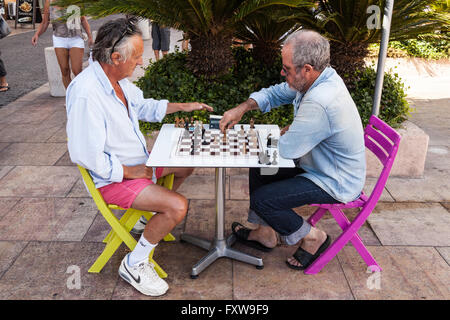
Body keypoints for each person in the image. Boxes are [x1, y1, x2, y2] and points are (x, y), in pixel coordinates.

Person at [66, 17, 213, 296]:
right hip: (112, 178)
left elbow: (144, 106)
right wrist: (129, 172)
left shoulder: (117, 80)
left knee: (185, 165)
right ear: (116, 56)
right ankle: (135, 263)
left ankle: (146, 219)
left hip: (137, 164)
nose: (141, 62)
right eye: (136, 56)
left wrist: (184, 106)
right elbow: (84, 155)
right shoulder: (87, 93)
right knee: (177, 206)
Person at [219, 30, 366, 271]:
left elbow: (286, 150)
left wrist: (287, 133)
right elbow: (277, 93)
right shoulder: (318, 78)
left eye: (286, 69)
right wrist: (243, 108)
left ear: (306, 69)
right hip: (317, 164)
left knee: (263, 199)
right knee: (261, 167)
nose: (282, 72)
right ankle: (265, 234)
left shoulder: (321, 99)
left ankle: (313, 237)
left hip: (334, 180)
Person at [31, 0, 93, 89]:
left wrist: (90, 36)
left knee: (77, 71)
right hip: (59, 39)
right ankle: (70, 97)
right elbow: (45, 22)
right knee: (64, 70)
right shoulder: (49, 2)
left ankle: (80, 94)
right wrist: (37, 34)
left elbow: (83, 19)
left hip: (76, 38)